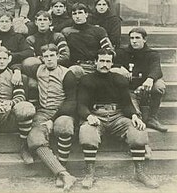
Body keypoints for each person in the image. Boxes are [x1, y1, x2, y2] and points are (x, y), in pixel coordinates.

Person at [77, 48, 159, 189]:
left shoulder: (119, 79)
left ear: (112, 64)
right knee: (87, 132)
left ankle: (139, 172)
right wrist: (89, 116)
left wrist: (134, 115)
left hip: (117, 116)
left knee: (137, 131)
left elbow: (126, 103)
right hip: (97, 115)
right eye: (101, 60)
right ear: (95, 62)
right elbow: (81, 105)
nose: (104, 64)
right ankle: (89, 173)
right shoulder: (86, 80)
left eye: (108, 61)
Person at [22, 44, 77, 192]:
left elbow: (72, 100)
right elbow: (19, 65)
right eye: (46, 56)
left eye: (52, 56)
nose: (49, 59)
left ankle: (61, 171)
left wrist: (53, 119)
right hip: (43, 112)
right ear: (41, 58)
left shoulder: (67, 73)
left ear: (58, 56)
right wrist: (15, 71)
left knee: (64, 127)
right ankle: (63, 174)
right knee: (34, 137)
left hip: (62, 111)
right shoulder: (38, 69)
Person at [112, 27, 167, 132]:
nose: (134, 41)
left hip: (146, 86)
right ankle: (139, 120)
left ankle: (152, 117)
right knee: (136, 118)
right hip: (130, 89)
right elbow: (111, 64)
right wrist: (119, 68)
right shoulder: (122, 52)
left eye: (137, 38)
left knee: (159, 86)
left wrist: (150, 79)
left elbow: (157, 69)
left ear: (144, 39)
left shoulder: (152, 54)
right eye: (132, 38)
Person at [63, 3, 112, 75]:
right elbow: (65, 54)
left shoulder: (99, 30)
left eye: (80, 13)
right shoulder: (66, 32)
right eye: (74, 14)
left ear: (86, 14)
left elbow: (108, 50)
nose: (77, 16)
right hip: (76, 67)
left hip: (96, 66)